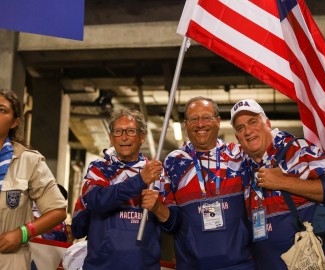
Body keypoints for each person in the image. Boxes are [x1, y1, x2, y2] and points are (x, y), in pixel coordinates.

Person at [230, 99, 325, 270]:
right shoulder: (243, 166)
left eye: (253, 122)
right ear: (237, 137)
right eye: (240, 128)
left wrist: (283, 182)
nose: (247, 131)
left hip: (306, 262)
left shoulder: (298, 149)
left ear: (267, 123)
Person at [142, 96, 255, 269]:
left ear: (218, 121)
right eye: (194, 119)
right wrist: (157, 207)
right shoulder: (174, 162)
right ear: (186, 124)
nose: (200, 124)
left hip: (240, 264)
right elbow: (171, 223)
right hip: (192, 265)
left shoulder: (238, 154)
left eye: (206, 118)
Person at [71, 108, 163, 270]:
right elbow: (97, 201)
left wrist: (157, 207)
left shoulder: (157, 174)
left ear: (142, 137)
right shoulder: (99, 169)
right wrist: (140, 180)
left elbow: (170, 223)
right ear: (111, 138)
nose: (124, 137)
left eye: (130, 131)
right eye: (118, 132)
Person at [0, 89, 67, 269]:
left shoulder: (29, 161)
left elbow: (58, 210)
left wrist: (22, 233)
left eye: (2, 110)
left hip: (10, 260)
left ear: (15, 122)